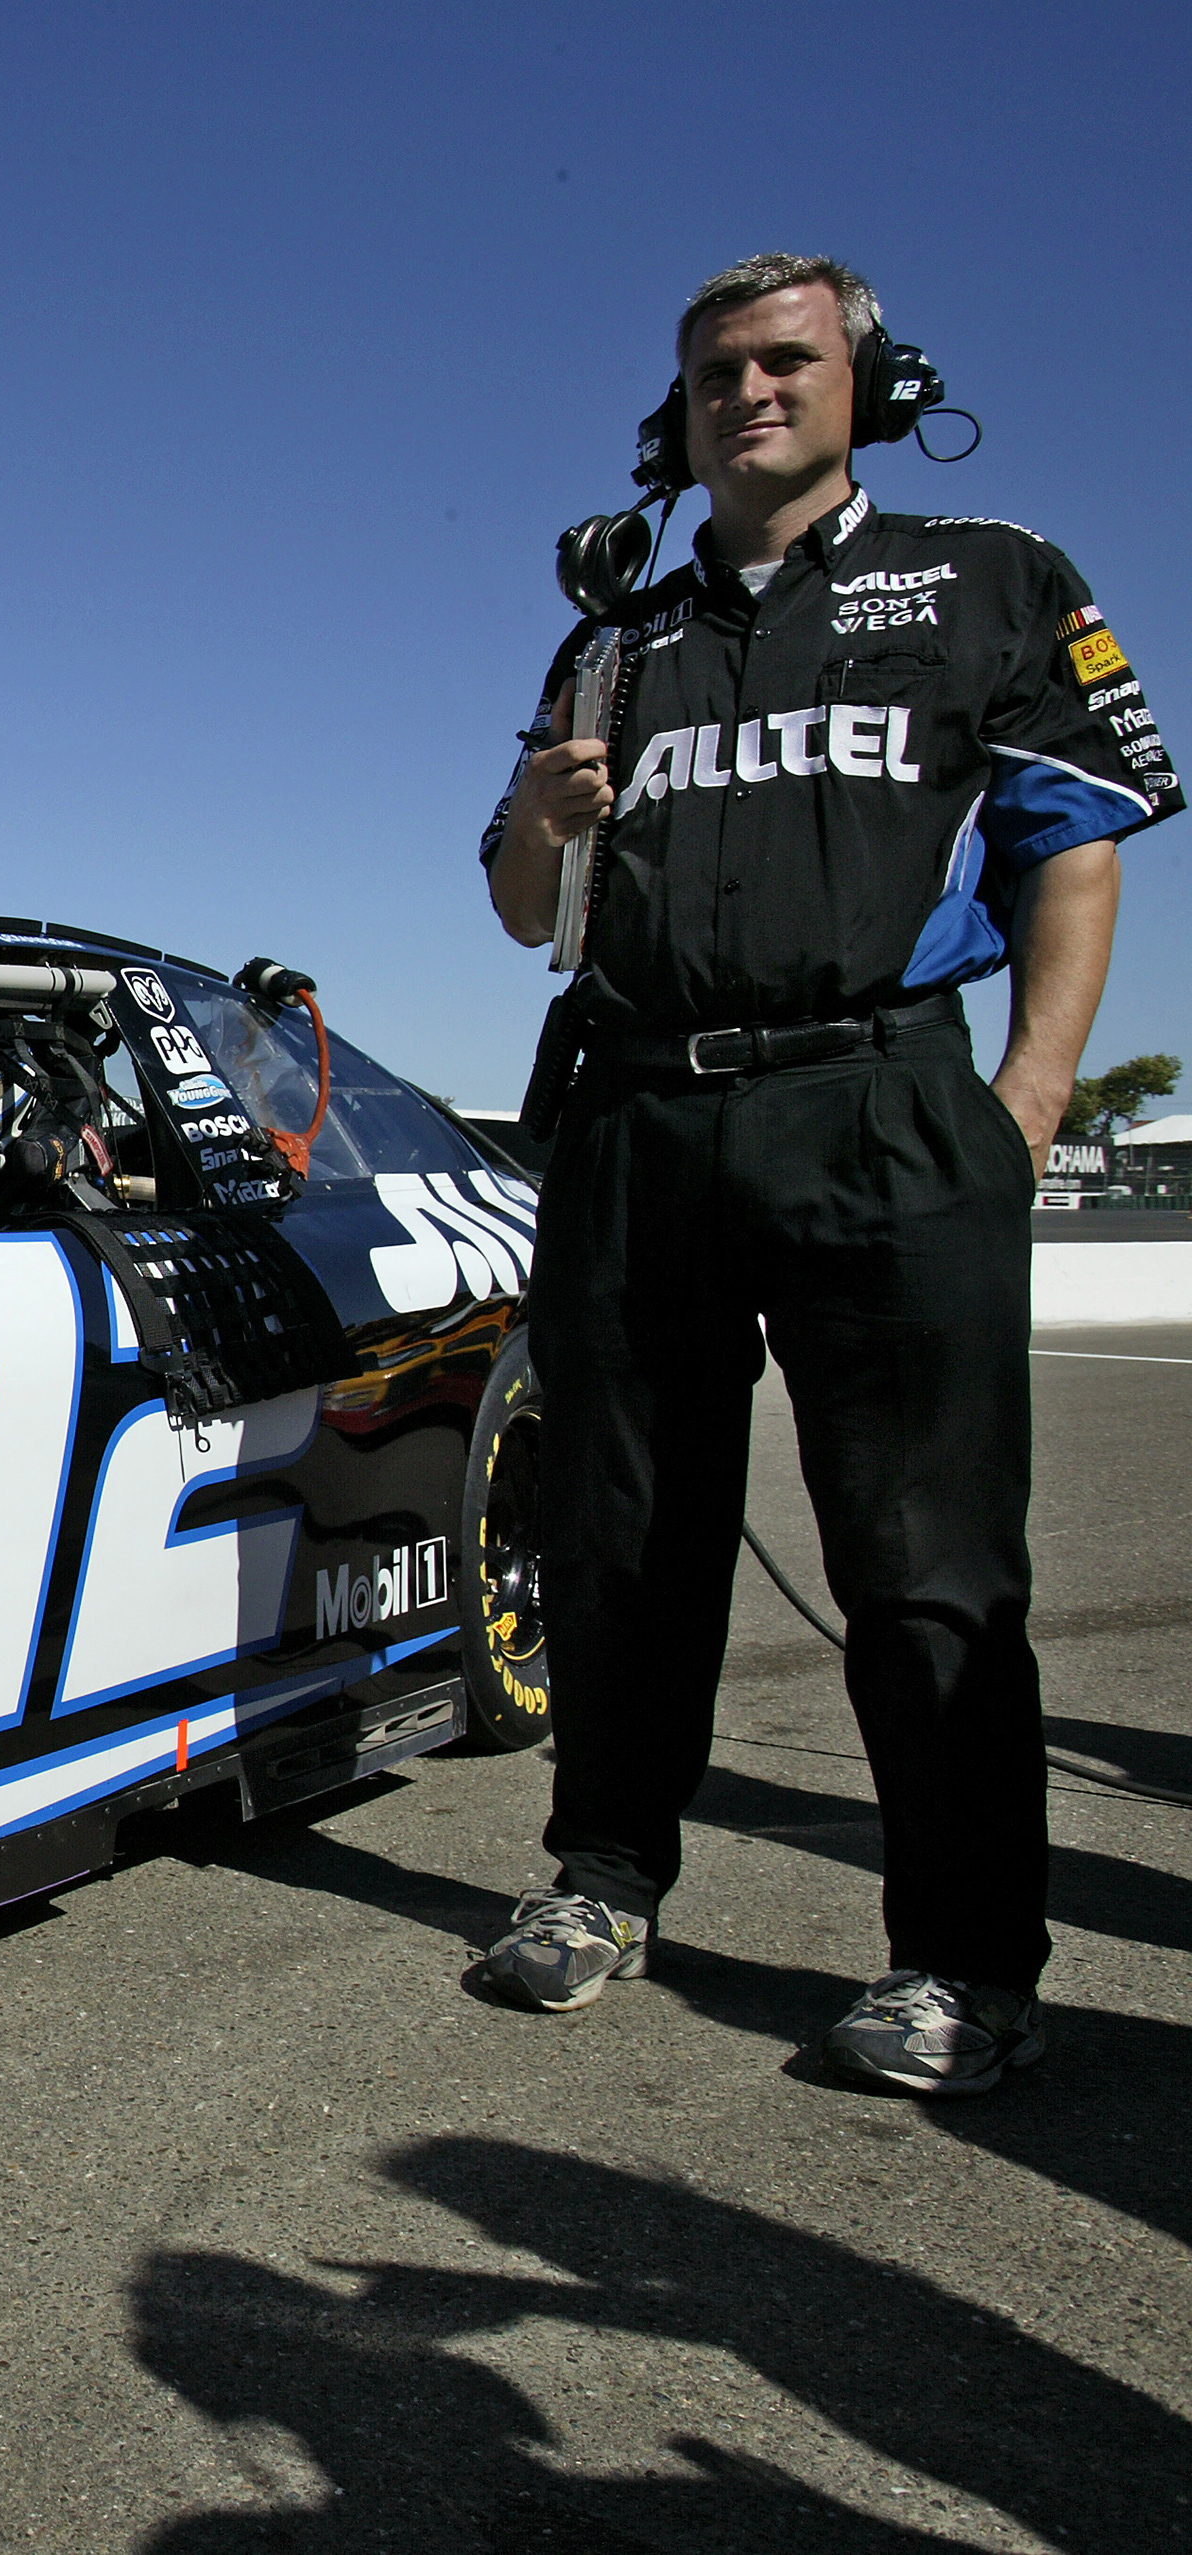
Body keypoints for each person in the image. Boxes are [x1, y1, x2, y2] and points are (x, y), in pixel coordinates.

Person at [476, 253, 1173, 2094]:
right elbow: (521, 903)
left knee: (926, 1567)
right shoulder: (614, 634)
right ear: (679, 409)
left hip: (882, 1105)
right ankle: (602, 1882)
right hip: (638, 1119)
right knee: (620, 1542)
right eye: (715, 373)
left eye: (788, 361)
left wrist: (1028, 1095)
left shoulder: (993, 578)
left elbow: (1074, 851)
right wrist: (539, 827)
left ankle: (961, 1962)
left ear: (870, 381)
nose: (749, 394)